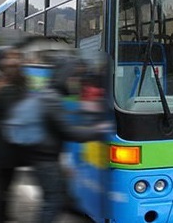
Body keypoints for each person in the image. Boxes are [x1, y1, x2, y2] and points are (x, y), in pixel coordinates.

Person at [25, 56, 112, 223]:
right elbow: (70, 133)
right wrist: (99, 130)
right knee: (52, 201)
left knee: (59, 197)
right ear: (65, 76)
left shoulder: (49, 95)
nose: (77, 82)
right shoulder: (52, 99)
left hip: (44, 157)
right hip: (45, 160)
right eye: (74, 78)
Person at [0, 48, 29, 223]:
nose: (14, 64)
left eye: (16, 60)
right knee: (3, 179)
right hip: (3, 140)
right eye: (11, 60)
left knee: (7, 178)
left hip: (9, 140)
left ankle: (2, 212)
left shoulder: (16, 83)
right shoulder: (2, 85)